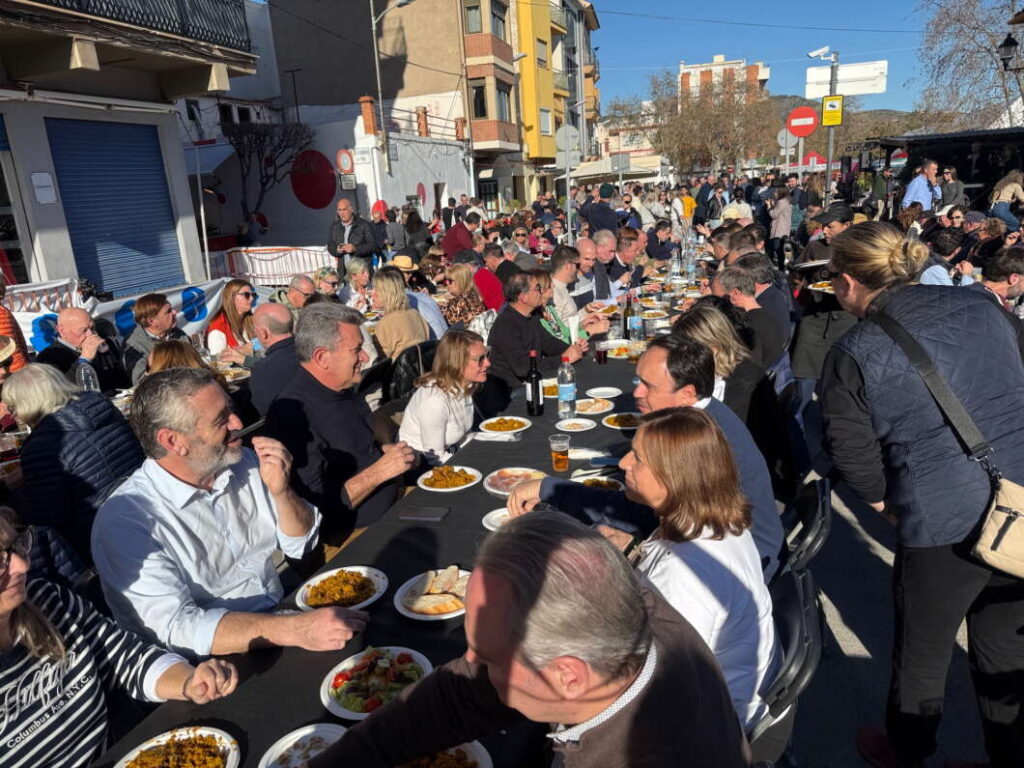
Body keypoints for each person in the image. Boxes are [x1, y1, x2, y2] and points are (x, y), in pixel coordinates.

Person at [307, 510, 750, 768]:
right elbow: (455, 694)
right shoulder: (633, 607)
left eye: (490, 658)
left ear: (568, 677)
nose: (469, 660)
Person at [820, 221, 1024, 768]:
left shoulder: (855, 349)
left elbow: (853, 454)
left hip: (940, 519)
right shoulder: (985, 308)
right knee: (1005, 644)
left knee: (924, 651)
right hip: (1019, 497)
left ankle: (907, 752)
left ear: (845, 283)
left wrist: (887, 505)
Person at [92, 368, 366, 657]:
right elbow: (176, 628)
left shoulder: (241, 462)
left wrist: (282, 492)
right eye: (221, 419)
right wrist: (293, 629)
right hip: (210, 668)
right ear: (173, 441)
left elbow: (302, 545)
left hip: (281, 616)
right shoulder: (126, 521)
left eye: (231, 410)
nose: (238, 423)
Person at [510, 335, 783, 581]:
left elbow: (635, 512)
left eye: (648, 386)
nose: (637, 393)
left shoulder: (698, 443)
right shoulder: (702, 419)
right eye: (637, 380)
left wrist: (552, 489)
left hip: (738, 572)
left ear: (687, 392)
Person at [588, 407, 781, 731]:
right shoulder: (719, 521)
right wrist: (636, 551)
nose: (623, 464)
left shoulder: (682, 575)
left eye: (637, 458)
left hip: (708, 725)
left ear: (673, 476)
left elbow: (645, 682)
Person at [0, 510, 239, 768]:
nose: (22, 565)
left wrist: (189, 682)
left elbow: (127, 659)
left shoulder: (47, 600)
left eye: (17, 546)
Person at [265, 303, 415, 542]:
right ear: (322, 357)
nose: (365, 357)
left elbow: (358, 445)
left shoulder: (341, 387)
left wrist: (383, 449)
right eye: (356, 350)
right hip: (350, 537)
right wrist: (380, 471)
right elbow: (315, 510)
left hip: (393, 506)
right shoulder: (292, 417)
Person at [3, 364, 142, 564]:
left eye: (13, 406)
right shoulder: (100, 404)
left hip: (98, 540)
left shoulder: (42, 446)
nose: (12, 414)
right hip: (142, 508)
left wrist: (10, 494)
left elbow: (48, 519)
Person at [399, 330, 489, 465]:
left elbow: (464, 436)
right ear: (457, 363)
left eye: (487, 356)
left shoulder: (464, 385)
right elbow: (435, 457)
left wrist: (505, 439)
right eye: (480, 359)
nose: (488, 363)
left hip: (450, 452)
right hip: (420, 465)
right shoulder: (434, 402)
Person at [487, 271, 586, 391]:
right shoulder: (506, 326)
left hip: (533, 382)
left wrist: (573, 349)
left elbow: (548, 343)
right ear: (523, 297)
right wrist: (563, 358)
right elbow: (522, 367)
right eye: (537, 288)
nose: (541, 292)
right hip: (512, 392)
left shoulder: (532, 317)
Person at [672, 300, 761, 422]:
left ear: (715, 344)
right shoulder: (720, 369)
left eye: (688, 349)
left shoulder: (743, 383)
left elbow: (717, 430)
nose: (682, 357)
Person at [35, 307, 130, 393]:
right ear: (62, 331)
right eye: (83, 330)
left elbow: (123, 380)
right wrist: (84, 359)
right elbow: (62, 391)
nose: (90, 334)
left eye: (92, 328)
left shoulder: (105, 343)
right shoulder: (48, 357)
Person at [122, 292, 187, 384]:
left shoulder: (177, 333)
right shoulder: (134, 345)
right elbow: (141, 381)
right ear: (152, 321)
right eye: (168, 312)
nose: (175, 312)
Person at [248, 302, 299, 415]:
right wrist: (245, 360)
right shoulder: (311, 349)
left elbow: (264, 411)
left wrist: (245, 360)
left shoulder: (262, 370)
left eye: (255, 329)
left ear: (262, 333)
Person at [371, 269, 430, 360]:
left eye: (375, 289)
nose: (372, 293)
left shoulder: (385, 324)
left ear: (385, 294)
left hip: (398, 372)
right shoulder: (416, 314)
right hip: (421, 368)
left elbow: (377, 359)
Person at [328, 198, 377, 271]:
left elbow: (373, 246)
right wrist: (337, 249)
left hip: (361, 271)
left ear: (351, 210)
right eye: (339, 210)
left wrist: (355, 248)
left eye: (344, 210)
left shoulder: (364, 225)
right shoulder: (335, 226)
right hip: (344, 271)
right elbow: (330, 245)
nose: (342, 213)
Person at [441, 263, 487, 328]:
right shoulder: (473, 294)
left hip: (462, 336)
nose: (447, 283)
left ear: (460, 281)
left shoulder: (457, 302)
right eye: (446, 280)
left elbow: (444, 322)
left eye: (450, 281)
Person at [0, 273, 28, 372]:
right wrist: (23, 371)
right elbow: (9, 350)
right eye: (2, 285)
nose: (4, 288)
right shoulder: (1, 313)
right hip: (12, 372)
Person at [766, 187, 792, 271]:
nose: (774, 193)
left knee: (779, 253)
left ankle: (781, 271)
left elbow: (774, 214)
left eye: (776, 192)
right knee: (782, 253)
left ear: (781, 192)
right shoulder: (787, 201)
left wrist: (769, 206)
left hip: (779, 231)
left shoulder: (781, 202)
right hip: (784, 230)